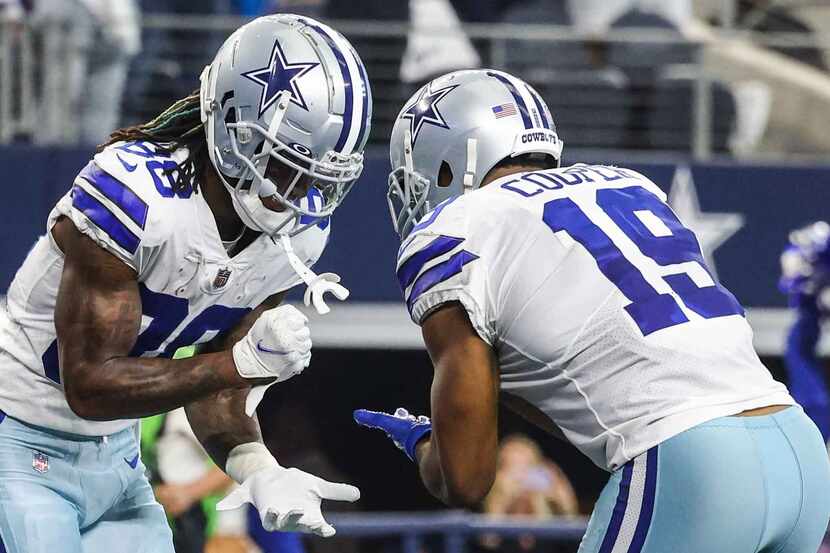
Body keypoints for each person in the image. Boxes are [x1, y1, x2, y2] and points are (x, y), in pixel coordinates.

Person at [355, 68, 830, 553]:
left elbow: (467, 481)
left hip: (695, 466)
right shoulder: (631, 184)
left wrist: (422, 442)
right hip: (801, 455)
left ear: (449, 162)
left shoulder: (452, 231)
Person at [0, 13, 371, 552]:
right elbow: (87, 384)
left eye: (320, 174)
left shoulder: (297, 234)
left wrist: (259, 470)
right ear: (230, 124)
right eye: (287, 162)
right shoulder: (135, 194)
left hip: (117, 457)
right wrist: (239, 363)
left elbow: (216, 385)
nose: (301, 191)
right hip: (18, 435)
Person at [779, 221, 830, 442]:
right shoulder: (806, 261)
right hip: (808, 323)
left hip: (810, 324)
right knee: (798, 353)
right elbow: (790, 282)